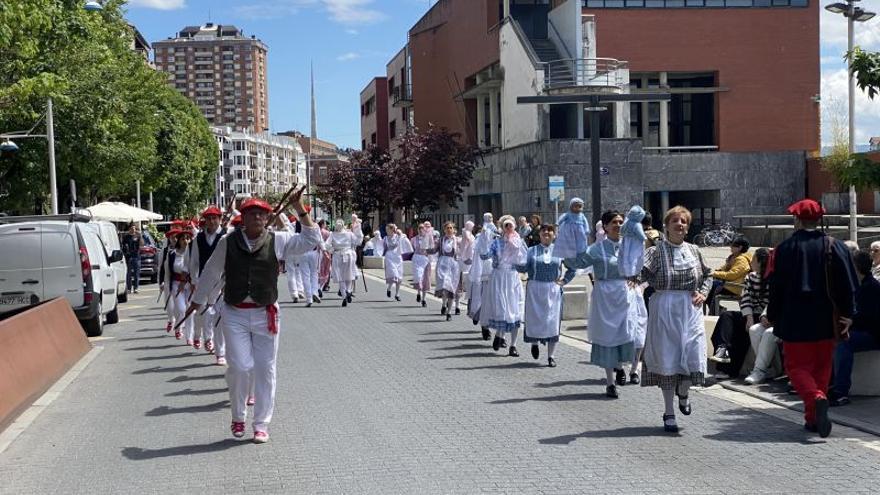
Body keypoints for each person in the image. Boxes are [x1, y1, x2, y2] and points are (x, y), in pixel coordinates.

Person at [188, 191, 322, 444]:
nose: (258, 217)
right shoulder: (228, 242)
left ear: (268, 217)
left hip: (265, 314)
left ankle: (261, 424)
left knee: (265, 370)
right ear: (245, 218)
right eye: (252, 213)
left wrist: (298, 208)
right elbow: (211, 271)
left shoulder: (278, 240)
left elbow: (311, 239)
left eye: (262, 213)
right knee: (240, 367)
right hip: (235, 312)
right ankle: (238, 415)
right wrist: (198, 299)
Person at [767, 198, 857, 438]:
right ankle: (812, 419)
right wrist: (848, 315)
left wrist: (773, 316)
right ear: (819, 219)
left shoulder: (783, 249)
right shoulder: (835, 246)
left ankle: (815, 398)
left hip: (794, 320)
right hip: (826, 320)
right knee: (821, 369)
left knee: (796, 367)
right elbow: (848, 285)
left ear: (797, 219)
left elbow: (775, 288)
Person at [640, 206, 712, 433]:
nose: (679, 225)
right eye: (675, 221)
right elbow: (638, 272)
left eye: (683, 222)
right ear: (666, 226)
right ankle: (669, 411)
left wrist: (703, 292)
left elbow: (708, 274)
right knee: (669, 359)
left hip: (690, 309)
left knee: (693, 354)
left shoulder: (693, 250)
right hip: (665, 308)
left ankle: (685, 390)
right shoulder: (655, 251)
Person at [564, 210, 646, 398]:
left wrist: (637, 279)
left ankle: (622, 367)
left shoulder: (629, 245)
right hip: (605, 297)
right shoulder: (597, 249)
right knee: (607, 336)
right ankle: (610, 381)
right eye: (614, 222)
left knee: (627, 333)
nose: (618, 225)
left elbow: (642, 265)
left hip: (625, 296)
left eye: (620, 222)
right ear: (606, 226)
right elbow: (577, 262)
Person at [709, 248, 771, 380]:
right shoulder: (751, 277)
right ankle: (722, 349)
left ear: (760, 262)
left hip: (766, 317)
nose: (751, 263)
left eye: (753, 260)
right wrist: (749, 318)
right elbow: (746, 299)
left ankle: (731, 369)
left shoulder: (773, 279)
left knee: (742, 333)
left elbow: (771, 303)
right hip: (750, 314)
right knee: (727, 316)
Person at [830, 250, 880, 406]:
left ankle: (841, 392)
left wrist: (853, 321)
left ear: (856, 268)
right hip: (858, 329)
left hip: (873, 334)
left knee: (845, 342)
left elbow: (872, 318)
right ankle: (827, 383)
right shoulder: (853, 285)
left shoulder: (873, 288)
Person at [516, 224, 565, 367]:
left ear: (554, 235)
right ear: (540, 234)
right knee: (535, 318)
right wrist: (515, 261)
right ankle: (534, 343)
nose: (547, 233)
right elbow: (524, 267)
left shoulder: (560, 251)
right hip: (535, 287)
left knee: (552, 321)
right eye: (544, 231)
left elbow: (572, 266)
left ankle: (551, 356)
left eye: (550, 231)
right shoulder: (531, 251)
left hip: (553, 289)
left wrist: (564, 280)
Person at [186, 205, 227, 363]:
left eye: (214, 218)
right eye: (208, 218)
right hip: (204, 281)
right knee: (204, 314)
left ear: (219, 219)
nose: (211, 221)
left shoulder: (226, 236)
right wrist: (195, 281)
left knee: (219, 316)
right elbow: (194, 261)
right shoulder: (199, 239)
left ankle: (220, 352)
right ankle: (205, 337)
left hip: (222, 281)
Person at [486, 215, 527, 356]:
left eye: (511, 225)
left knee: (515, 308)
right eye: (506, 226)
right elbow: (486, 255)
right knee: (501, 307)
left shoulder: (519, 242)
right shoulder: (496, 242)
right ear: (503, 228)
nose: (509, 228)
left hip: (512, 277)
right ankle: (499, 334)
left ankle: (513, 345)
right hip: (499, 277)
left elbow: (524, 260)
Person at [469, 214, 498, 341]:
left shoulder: (498, 236)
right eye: (487, 219)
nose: (489, 221)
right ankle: (484, 325)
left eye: (491, 218)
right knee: (484, 299)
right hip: (484, 273)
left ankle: (499, 332)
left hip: (498, 273)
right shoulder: (480, 238)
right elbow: (478, 257)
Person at [706, 236, 752, 315]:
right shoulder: (733, 257)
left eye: (733, 245)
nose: (730, 247)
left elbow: (732, 275)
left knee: (712, 287)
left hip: (733, 287)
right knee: (707, 287)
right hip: (727, 284)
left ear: (740, 247)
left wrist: (715, 274)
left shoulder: (742, 260)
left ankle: (715, 313)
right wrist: (715, 272)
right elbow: (723, 269)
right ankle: (718, 310)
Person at [165, 227, 194, 344]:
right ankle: (178, 327)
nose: (186, 241)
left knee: (190, 310)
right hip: (176, 285)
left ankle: (190, 337)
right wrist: (166, 286)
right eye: (183, 238)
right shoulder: (172, 254)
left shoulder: (194, 254)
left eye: (188, 238)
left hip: (190, 285)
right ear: (179, 240)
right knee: (181, 309)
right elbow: (167, 272)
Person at [326, 218, 363, 307]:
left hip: (338, 255)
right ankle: (348, 291)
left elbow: (326, 245)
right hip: (348, 254)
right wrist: (358, 228)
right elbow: (358, 241)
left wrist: (331, 250)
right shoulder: (349, 234)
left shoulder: (333, 234)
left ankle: (344, 295)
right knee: (348, 274)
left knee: (340, 277)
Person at [434, 221, 462, 321]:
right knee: (444, 287)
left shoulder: (458, 240)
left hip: (453, 265)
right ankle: (443, 304)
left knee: (451, 288)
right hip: (442, 264)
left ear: (454, 229)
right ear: (444, 229)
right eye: (447, 228)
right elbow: (434, 250)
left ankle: (449, 312)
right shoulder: (440, 240)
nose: (449, 230)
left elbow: (466, 248)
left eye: (451, 228)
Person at [376, 223, 411, 301]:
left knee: (399, 277)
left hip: (397, 257)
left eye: (388, 229)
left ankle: (397, 294)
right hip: (389, 257)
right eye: (386, 230)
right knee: (393, 274)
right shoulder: (385, 238)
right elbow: (380, 246)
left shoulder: (398, 236)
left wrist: (401, 235)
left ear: (392, 230)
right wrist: (378, 239)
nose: (386, 231)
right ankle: (389, 288)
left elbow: (404, 241)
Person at [411, 222, 437, 307]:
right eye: (419, 228)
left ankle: (424, 299)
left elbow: (432, 249)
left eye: (422, 228)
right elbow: (412, 249)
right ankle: (418, 292)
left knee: (426, 279)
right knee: (418, 277)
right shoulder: (414, 239)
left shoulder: (429, 238)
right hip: (417, 259)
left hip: (426, 259)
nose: (421, 229)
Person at [457, 220, 476, 315]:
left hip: (469, 255)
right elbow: (468, 240)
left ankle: (465, 287)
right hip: (467, 256)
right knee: (466, 272)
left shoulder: (468, 232)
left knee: (467, 272)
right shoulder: (466, 232)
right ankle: (464, 287)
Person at [121, 223, 144, 294]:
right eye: (131, 228)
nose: (133, 229)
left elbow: (142, 244)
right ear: (129, 229)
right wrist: (126, 249)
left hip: (136, 257)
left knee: (136, 273)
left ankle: (136, 288)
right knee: (129, 274)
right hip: (128, 257)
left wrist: (140, 238)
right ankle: (129, 288)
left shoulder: (138, 236)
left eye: (134, 228)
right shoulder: (126, 237)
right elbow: (123, 246)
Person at [317, 219, 332, 295]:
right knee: (326, 270)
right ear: (323, 224)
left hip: (316, 252)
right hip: (325, 252)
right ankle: (322, 286)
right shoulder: (327, 233)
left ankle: (317, 286)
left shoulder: (316, 232)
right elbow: (330, 244)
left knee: (317, 271)